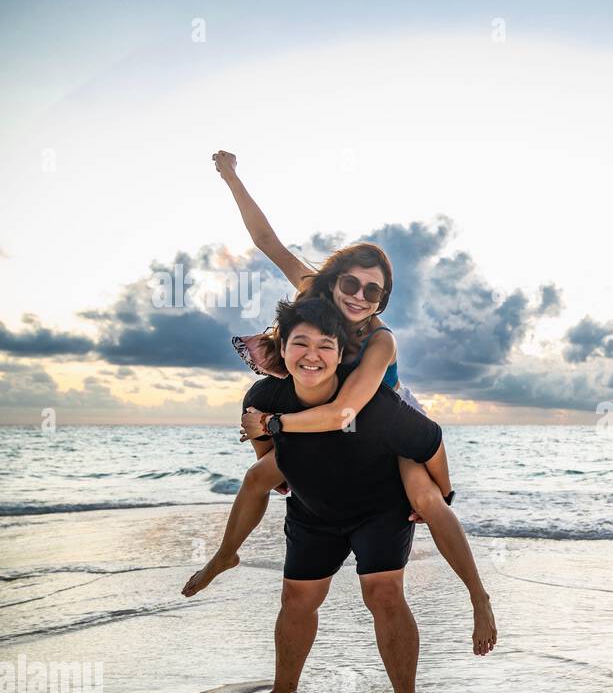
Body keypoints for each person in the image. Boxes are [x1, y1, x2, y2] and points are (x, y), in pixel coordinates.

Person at [183, 150, 496, 659]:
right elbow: (266, 241)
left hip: (382, 411)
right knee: (263, 472)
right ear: (332, 279)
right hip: (329, 405)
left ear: (381, 300)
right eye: (351, 283)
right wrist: (232, 177)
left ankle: (478, 597)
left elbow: (349, 412)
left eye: (373, 291)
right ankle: (225, 554)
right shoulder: (312, 291)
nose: (359, 296)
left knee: (425, 497)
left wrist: (276, 423)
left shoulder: (379, 340)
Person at [244, 295, 473, 693]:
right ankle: (283, 690)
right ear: (282, 347)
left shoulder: (377, 399)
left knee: (384, 594)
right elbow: (272, 472)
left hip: (379, 501)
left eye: (324, 346)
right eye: (300, 344)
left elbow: (430, 440)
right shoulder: (264, 395)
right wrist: (272, 439)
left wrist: (442, 494)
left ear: (341, 351)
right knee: (296, 599)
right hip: (317, 508)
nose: (312, 355)